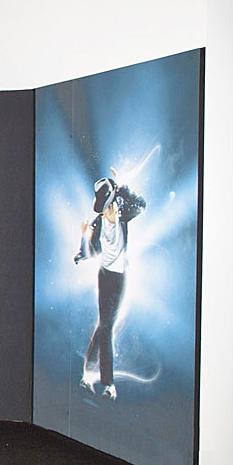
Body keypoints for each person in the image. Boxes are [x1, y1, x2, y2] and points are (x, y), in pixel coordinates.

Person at [73, 167, 146, 401]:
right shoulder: (99, 222)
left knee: (105, 327)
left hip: (120, 278)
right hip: (105, 277)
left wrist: (121, 186)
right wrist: (84, 240)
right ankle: (108, 384)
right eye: (103, 209)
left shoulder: (123, 215)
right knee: (106, 327)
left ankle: (88, 376)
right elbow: (91, 251)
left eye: (109, 207)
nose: (107, 212)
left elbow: (142, 204)